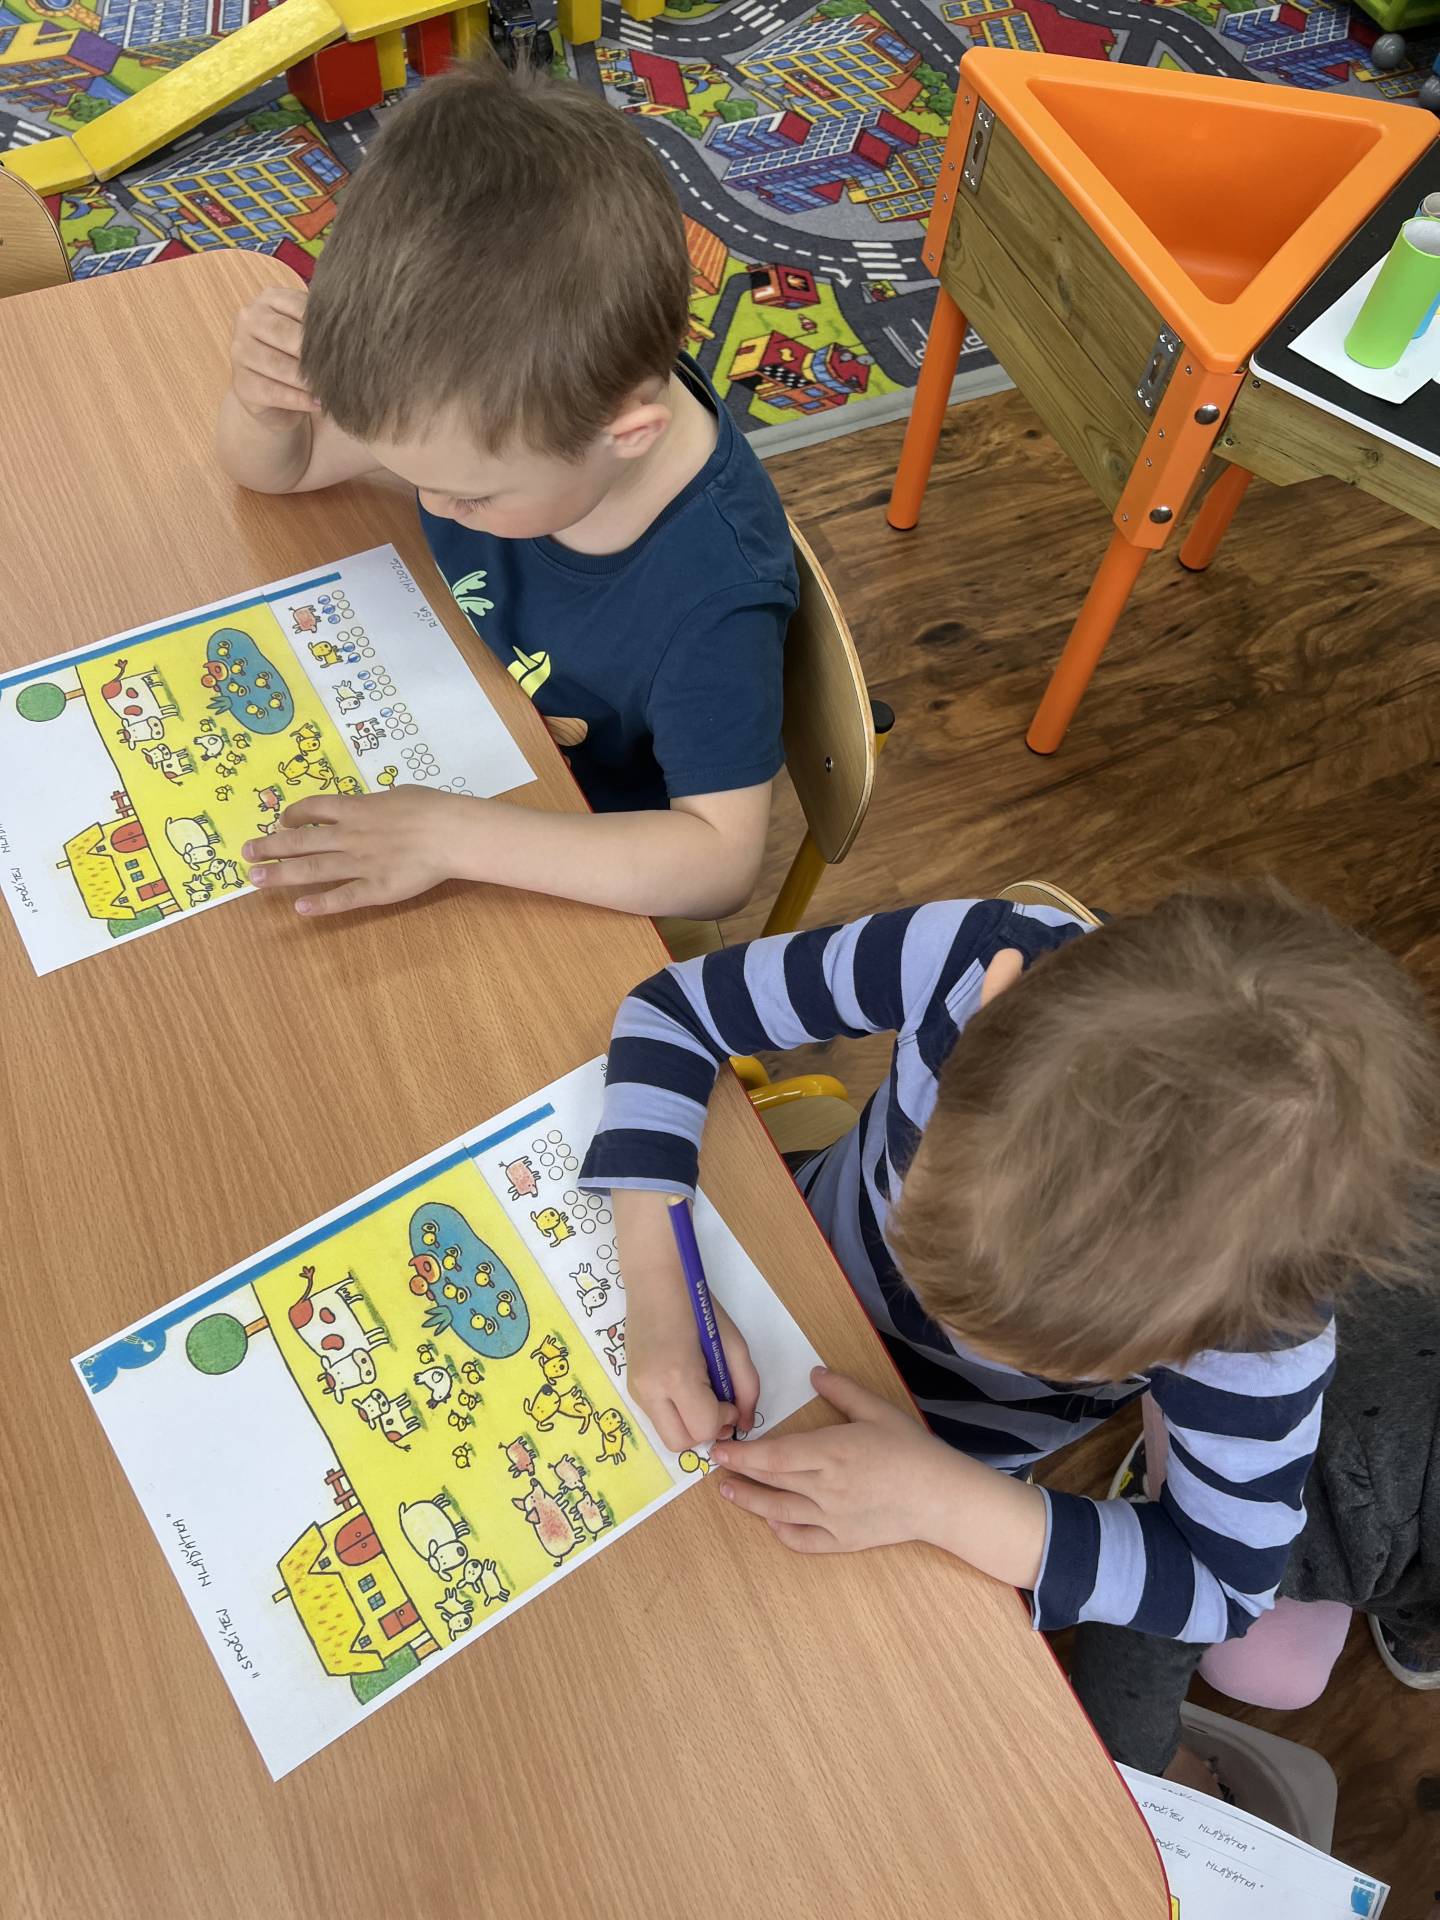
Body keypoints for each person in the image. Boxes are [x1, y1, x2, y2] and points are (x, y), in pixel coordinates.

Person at [577, 885, 1440, 1779]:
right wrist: (657, 1273)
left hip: (947, 1464)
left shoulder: (1259, 1336)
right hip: (777, 1267)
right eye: (925, 1215)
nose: (938, 1311)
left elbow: (1223, 1588)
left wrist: (946, 1500)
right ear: (994, 1008)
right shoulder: (974, 958)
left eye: (1030, 1349)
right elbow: (673, 1008)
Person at [216, 59, 795, 922]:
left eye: (470, 497)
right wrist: (262, 406)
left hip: (560, 845)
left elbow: (719, 864)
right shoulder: (474, 388)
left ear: (627, 435)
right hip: (449, 710)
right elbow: (282, 471)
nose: (431, 505)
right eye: (415, 477)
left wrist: (453, 835)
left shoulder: (715, 598)